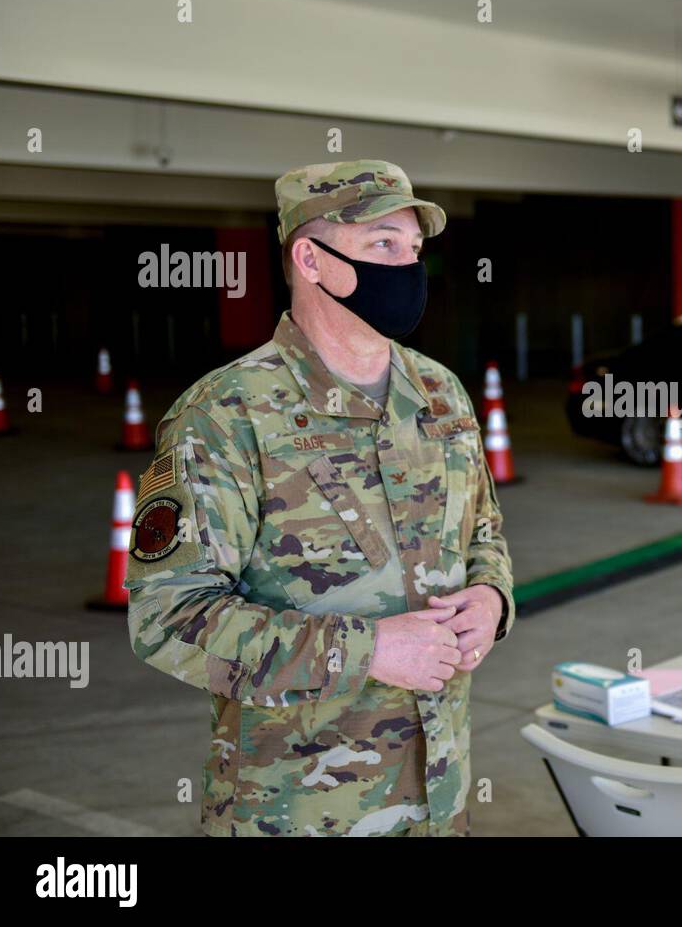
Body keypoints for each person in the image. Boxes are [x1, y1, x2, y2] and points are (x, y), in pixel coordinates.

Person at [126, 159, 513, 836]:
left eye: (414, 250)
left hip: (438, 795)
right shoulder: (225, 414)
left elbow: (484, 532)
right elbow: (167, 617)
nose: (409, 267)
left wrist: (493, 598)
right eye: (383, 246)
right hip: (295, 811)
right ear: (311, 258)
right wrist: (366, 651)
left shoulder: (440, 394)